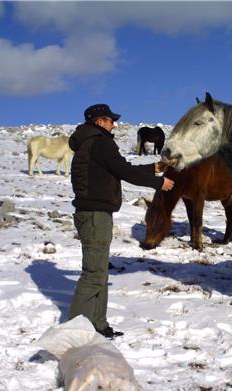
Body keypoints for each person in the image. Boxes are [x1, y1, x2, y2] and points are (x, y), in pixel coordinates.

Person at [68, 103, 174, 339]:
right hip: (95, 215)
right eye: (110, 120)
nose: (114, 124)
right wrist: (159, 183)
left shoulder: (89, 143)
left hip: (95, 214)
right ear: (99, 122)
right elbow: (124, 172)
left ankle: (97, 323)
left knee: (99, 272)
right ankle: (73, 331)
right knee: (93, 273)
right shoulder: (100, 142)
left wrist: (152, 168)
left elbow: (119, 168)